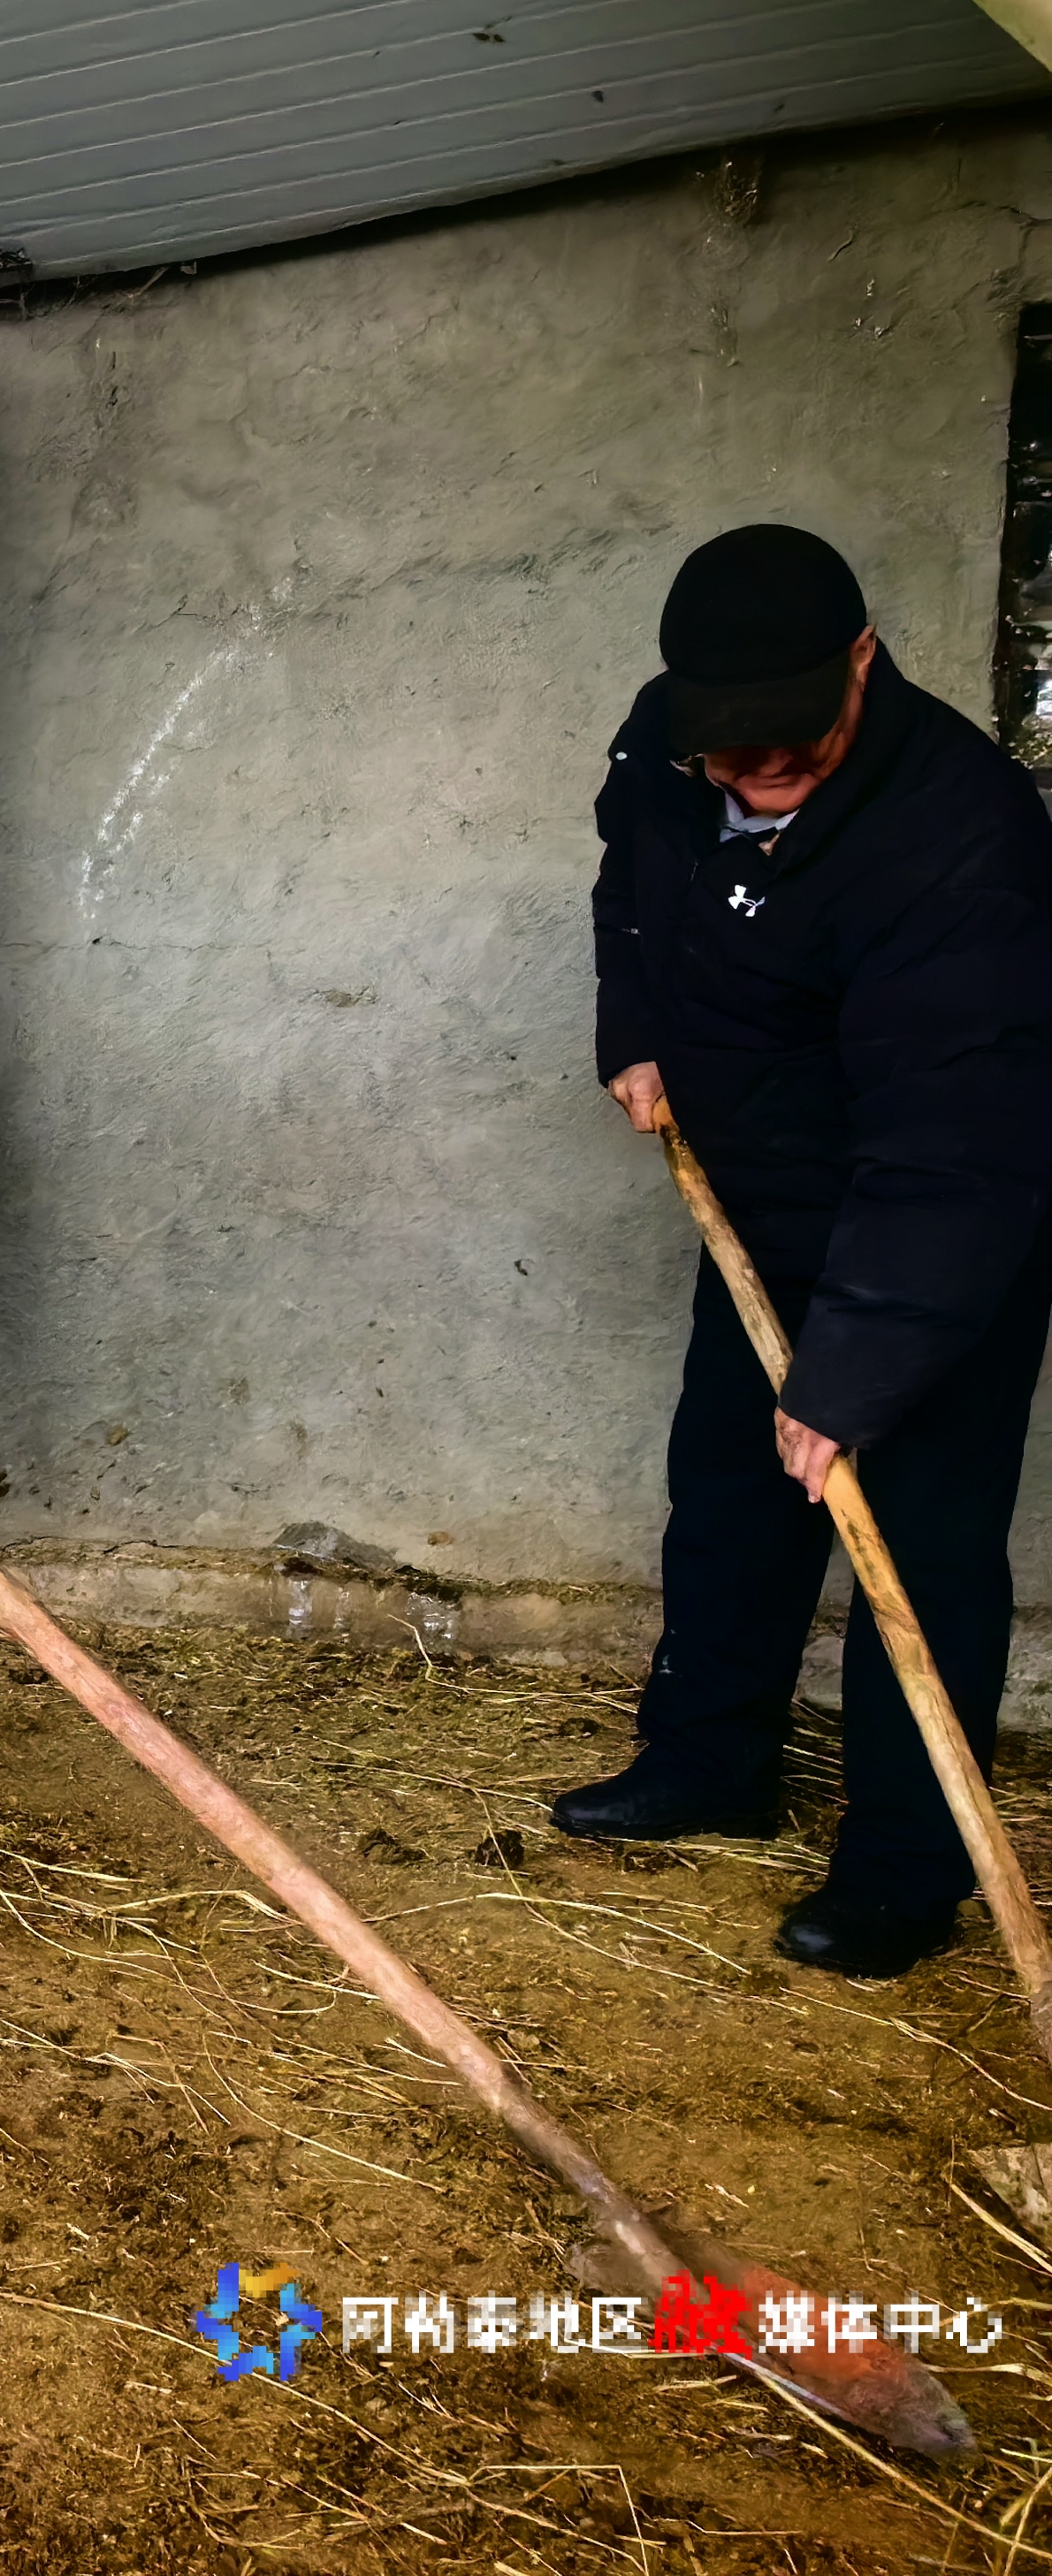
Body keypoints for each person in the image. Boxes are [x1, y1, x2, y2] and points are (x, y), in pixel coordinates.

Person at [561, 522, 1052, 1977]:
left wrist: (851, 1377)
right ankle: (710, 1761)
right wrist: (634, 1032)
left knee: (916, 1542)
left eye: (794, 738)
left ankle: (903, 1870)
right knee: (730, 1494)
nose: (764, 768)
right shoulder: (668, 754)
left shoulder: (964, 837)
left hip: (938, 1241)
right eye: (734, 747)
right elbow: (631, 898)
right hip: (761, 1204)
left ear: (862, 660)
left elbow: (958, 1147)